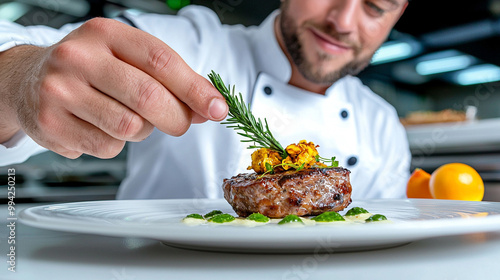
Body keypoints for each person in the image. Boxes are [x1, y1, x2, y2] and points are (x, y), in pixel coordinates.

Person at [0, 0, 411, 200]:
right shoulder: (192, 46)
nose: (342, 21)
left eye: (375, 7)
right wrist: (21, 79)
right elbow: (29, 48)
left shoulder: (383, 127)